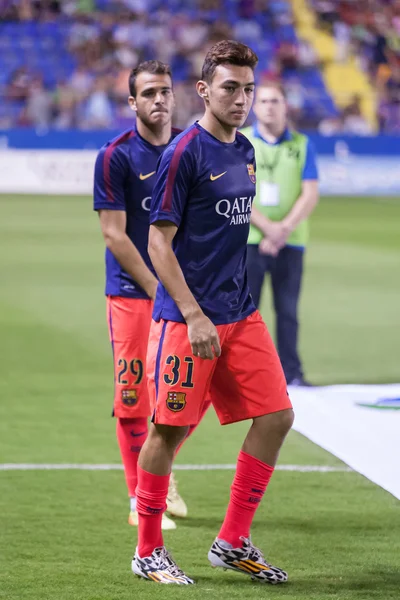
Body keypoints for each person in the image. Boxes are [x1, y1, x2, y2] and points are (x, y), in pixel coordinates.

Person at [131, 40, 294, 586]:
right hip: (186, 320)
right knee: (169, 432)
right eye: (230, 87)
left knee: (276, 417)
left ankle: (232, 541)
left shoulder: (245, 149)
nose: (242, 98)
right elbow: (158, 243)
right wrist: (194, 315)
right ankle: (148, 550)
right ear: (203, 89)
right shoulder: (184, 153)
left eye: (248, 88)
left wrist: (226, 310)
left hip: (239, 314)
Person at [93, 60, 210, 531]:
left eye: (165, 91)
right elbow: (114, 235)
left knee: (193, 393)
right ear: (132, 102)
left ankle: (157, 467)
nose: (159, 100)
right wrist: (155, 285)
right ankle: (140, 498)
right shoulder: (116, 156)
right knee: (133, 397)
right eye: (149, 94)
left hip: (180, 293)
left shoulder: (190, 148)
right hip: (132, 293)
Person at [241, 81, 319, 387]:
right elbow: (235, 193)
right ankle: (246, 374)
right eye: (263, 101)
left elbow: (310, 193)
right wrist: (268, 228)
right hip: (249, 241)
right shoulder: (242, 142)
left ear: (285, 105)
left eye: (275, 100)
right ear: (255, 106)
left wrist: (283, 229)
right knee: (247, 312)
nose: (269, 106)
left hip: (291, 241)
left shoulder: (301, 144)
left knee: (288, 311)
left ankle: (292, 373)